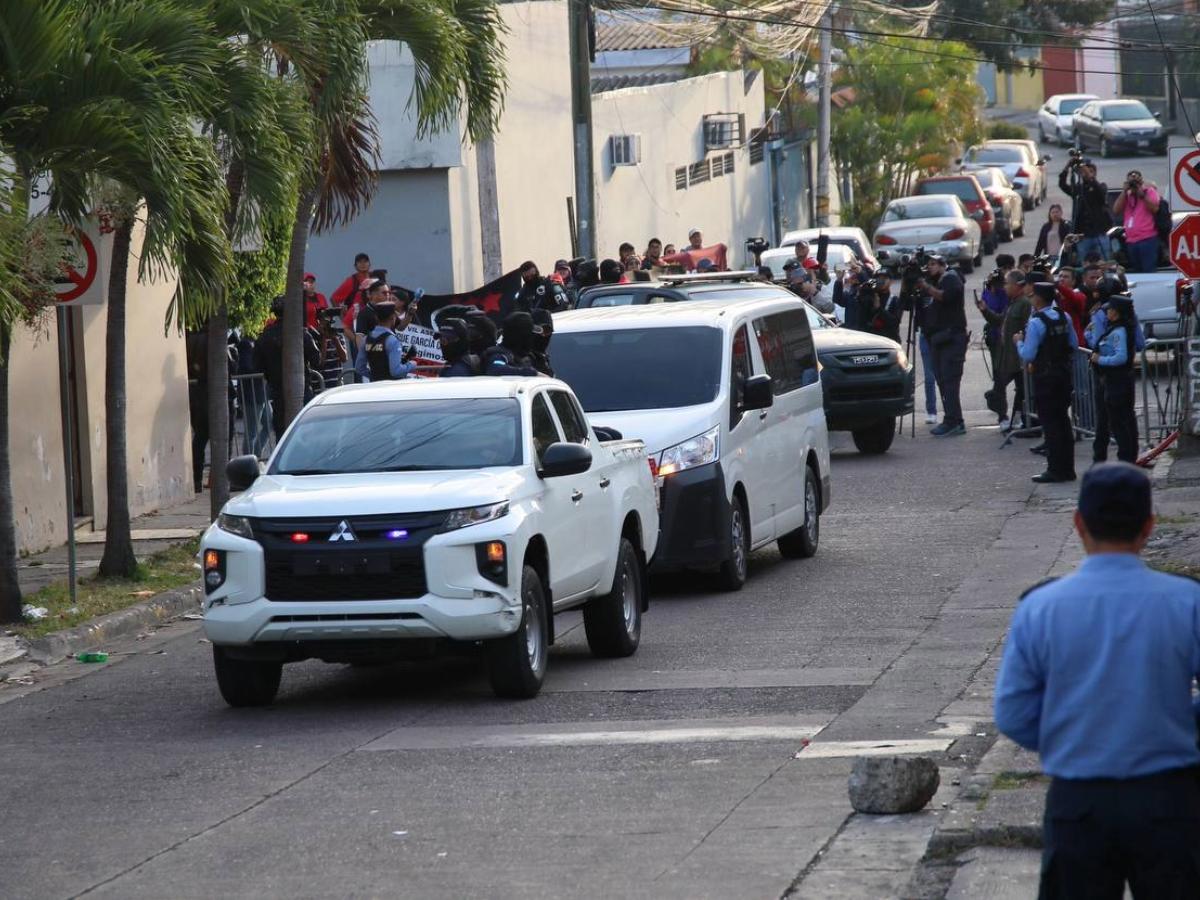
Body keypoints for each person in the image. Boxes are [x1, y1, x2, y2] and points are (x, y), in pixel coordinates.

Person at [995, 462, 1200, 898]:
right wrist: (1182, 722)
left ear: (1078, 524)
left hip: (1079, 801)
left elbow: (1013, 712)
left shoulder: (1040, 607)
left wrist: (1070, 734)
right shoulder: (1188, 602)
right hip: (1168, 799)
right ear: (1148, 527)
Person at [1016, 282, 1078, 482]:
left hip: (1045, 376)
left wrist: (1018, 341)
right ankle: (1068, 468)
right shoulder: (1063, 316)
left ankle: (1055, 469)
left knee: (1050, 424)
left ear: (1039, 298)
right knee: (1063, 421)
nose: (1031, 298)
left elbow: (1028, 353)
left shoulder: (1036, 322)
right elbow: (1073, 344)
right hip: (1063, 374)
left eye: (1033, 295)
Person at [254, 298, 321, 440]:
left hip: (278, 391)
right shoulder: (301, 334)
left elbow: (258, 366)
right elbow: (317, 360)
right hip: (301, 390)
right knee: (307, 433)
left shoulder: (265, 336)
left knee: (282, 435)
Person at [917, 255, 967, 436]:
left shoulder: (951, 278)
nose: (929, 267)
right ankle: (953, 419)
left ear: (943, 265)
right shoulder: (933, 282)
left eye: (933, 264)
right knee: (942, 381)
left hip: (952, 339)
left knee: (950, 381)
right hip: (937, 339)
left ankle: (954, 421)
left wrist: (926, 287)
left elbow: (945, 297)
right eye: (928, 264)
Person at [1087, 295, 1140, 464]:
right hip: (1118, 380)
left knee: (1119, 424)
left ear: (1117, 312)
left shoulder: (1119, 331)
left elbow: (1121, 357)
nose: (1107, 312)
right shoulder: (1118, 328)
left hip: (1117, 381)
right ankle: (1128, 458)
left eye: (1110, 309)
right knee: (1122, 421)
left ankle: (1125, 459)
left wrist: (1100, 360)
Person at [978, 270, 1030, 430]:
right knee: (998, 388)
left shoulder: (1025, 304)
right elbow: (1000, 320)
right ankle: (1004, 418)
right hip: (1006, 356)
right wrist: (985, 310)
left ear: (1017, 286)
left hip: (1019, 357)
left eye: (1008, 283)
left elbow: (1028, 329)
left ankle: (1017, 419)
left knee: (1021, 390)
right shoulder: (1012, 303)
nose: (1005, 287)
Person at [1058, 158, 1111, 262]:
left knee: (1104, 263)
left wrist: (1084, 168)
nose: (1086, 173)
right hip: (1083, 236)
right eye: (1083, 172)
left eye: (1090, 171)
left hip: (1099, 233)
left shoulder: (1100, 186)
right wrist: (1068, 166)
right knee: (1085, 264)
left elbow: (1100, 193)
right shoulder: (1078, 189)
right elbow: (1062, 185)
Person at [354, 302, 417, 382]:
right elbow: (395, 371)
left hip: (375, 385)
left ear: (376, 318)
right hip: (391, 387)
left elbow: (359, 368)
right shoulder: (392, 340)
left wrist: (374, 376)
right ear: (393, 317)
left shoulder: (366, 339)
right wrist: (412, 364)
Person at [1112, 169, 1161, 273]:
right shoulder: (1127, 195)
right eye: (1131, 182)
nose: (1134, 185)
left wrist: (1142, 195)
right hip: (1131, 240)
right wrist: (1124, 191)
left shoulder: (1149, 191)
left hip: (1147, 239)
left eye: (1136, 182)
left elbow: (1155, 209)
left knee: (1148, 270)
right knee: (1137, 271)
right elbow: (1116, 210)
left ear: (1141, 181)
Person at [483, 311, 540, 376]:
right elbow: (495, 369)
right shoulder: (498, 355)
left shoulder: (526, 356)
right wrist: (533, 373)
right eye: (530, 335)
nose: (532, 338)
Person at [859, 274, 901, 343]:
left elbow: (895, 323)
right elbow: (861, 321)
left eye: (884, 278)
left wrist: (879, 309)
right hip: (871, 341)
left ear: (891, 281)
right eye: (878, 278)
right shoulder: (869, 297)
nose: (881, 281)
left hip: (889, 341)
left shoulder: (894, 300)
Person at [1054, 268, 1088, 346]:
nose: (1061, 279)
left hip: (1075, 342)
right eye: (1060, 276)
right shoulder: (1055, 297)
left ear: (1073, 281)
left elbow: (1072, 297)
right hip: (1059, 341)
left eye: (1066, 277)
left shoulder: (1080, 296)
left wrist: (1058, 286)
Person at [530, 308, 555, 376]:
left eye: (547, 331)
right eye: (539, 330)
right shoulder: (520, 358)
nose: (543, 335)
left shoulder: (543, 358)